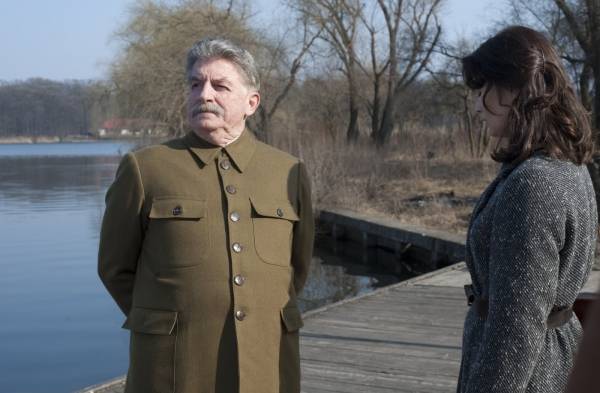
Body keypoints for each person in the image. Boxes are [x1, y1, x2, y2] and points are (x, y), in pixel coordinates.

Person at [98, 37, 314, 393]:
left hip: (266, 361)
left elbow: (297, 268)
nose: (205, 94)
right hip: (174, 366)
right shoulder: (144, 168)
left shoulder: (288, 172)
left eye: (220, 85)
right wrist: (166, 316)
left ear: (251, 102)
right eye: (195, 84)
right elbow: (114, 267)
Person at [457, 25, 597, 393]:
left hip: (530, 374)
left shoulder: (533, 184)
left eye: (483, 87)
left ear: (518, 89)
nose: (476, 104)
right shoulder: (568, 164)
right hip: (554, 356)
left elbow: (516, 330)